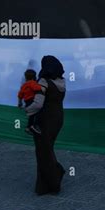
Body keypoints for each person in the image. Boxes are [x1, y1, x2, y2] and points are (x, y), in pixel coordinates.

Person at [25, 56, 66, 195]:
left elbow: (38, 104)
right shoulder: (62, 81)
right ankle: (47, 184)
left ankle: (53, 181)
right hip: (58, 118)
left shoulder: (43, 81)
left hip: (45, 120)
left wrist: (27, 110)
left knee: (42, 151)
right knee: (47, 149)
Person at [18, 69, 42, 135]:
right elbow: (37, 88)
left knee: (31, 115)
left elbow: (20, 95)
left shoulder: (24, 85)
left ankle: (28, 127)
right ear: (34, 76)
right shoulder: (32, 83)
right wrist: (42, 87)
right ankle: (34, 126)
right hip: (32, 101)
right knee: (37, 113)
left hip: (27, 102)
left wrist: (20, 103)